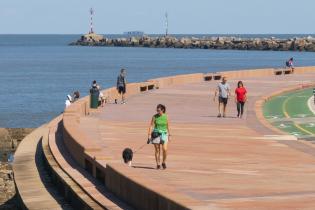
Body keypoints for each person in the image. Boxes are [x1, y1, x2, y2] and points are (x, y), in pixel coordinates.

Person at [147, 104, 171, 170]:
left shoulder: (166, 116)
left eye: (159, 110)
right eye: (157, 110)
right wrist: (149, 135)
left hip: (164, 134)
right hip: (156, 134)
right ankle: (158, 164)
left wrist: (169, 135)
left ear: (162, 110)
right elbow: (151, 126)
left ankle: (163, 162)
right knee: (157, 150)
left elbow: (168, 126)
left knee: (165, 149)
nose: (157, 111)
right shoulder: (154, 116)